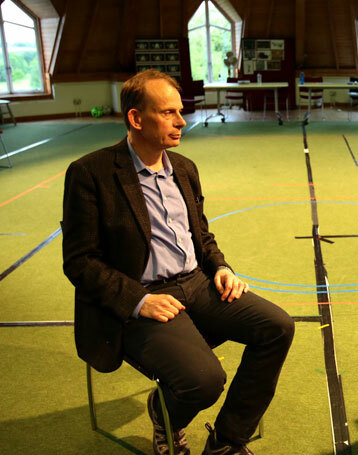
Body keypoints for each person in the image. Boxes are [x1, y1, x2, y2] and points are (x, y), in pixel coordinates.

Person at [62, 69, 294, 455]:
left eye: (180, 111)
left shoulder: (184, 169)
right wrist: (139, 300)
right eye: (168, 112)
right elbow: (80, 261)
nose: (181, 121)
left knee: (277, 327)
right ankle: (165, 412)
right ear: (136, 119)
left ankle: (227, 440)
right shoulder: (90, 173)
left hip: (197, 284)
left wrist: (222, 268)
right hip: (142, 299)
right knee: (203, 380)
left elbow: (201, 235)